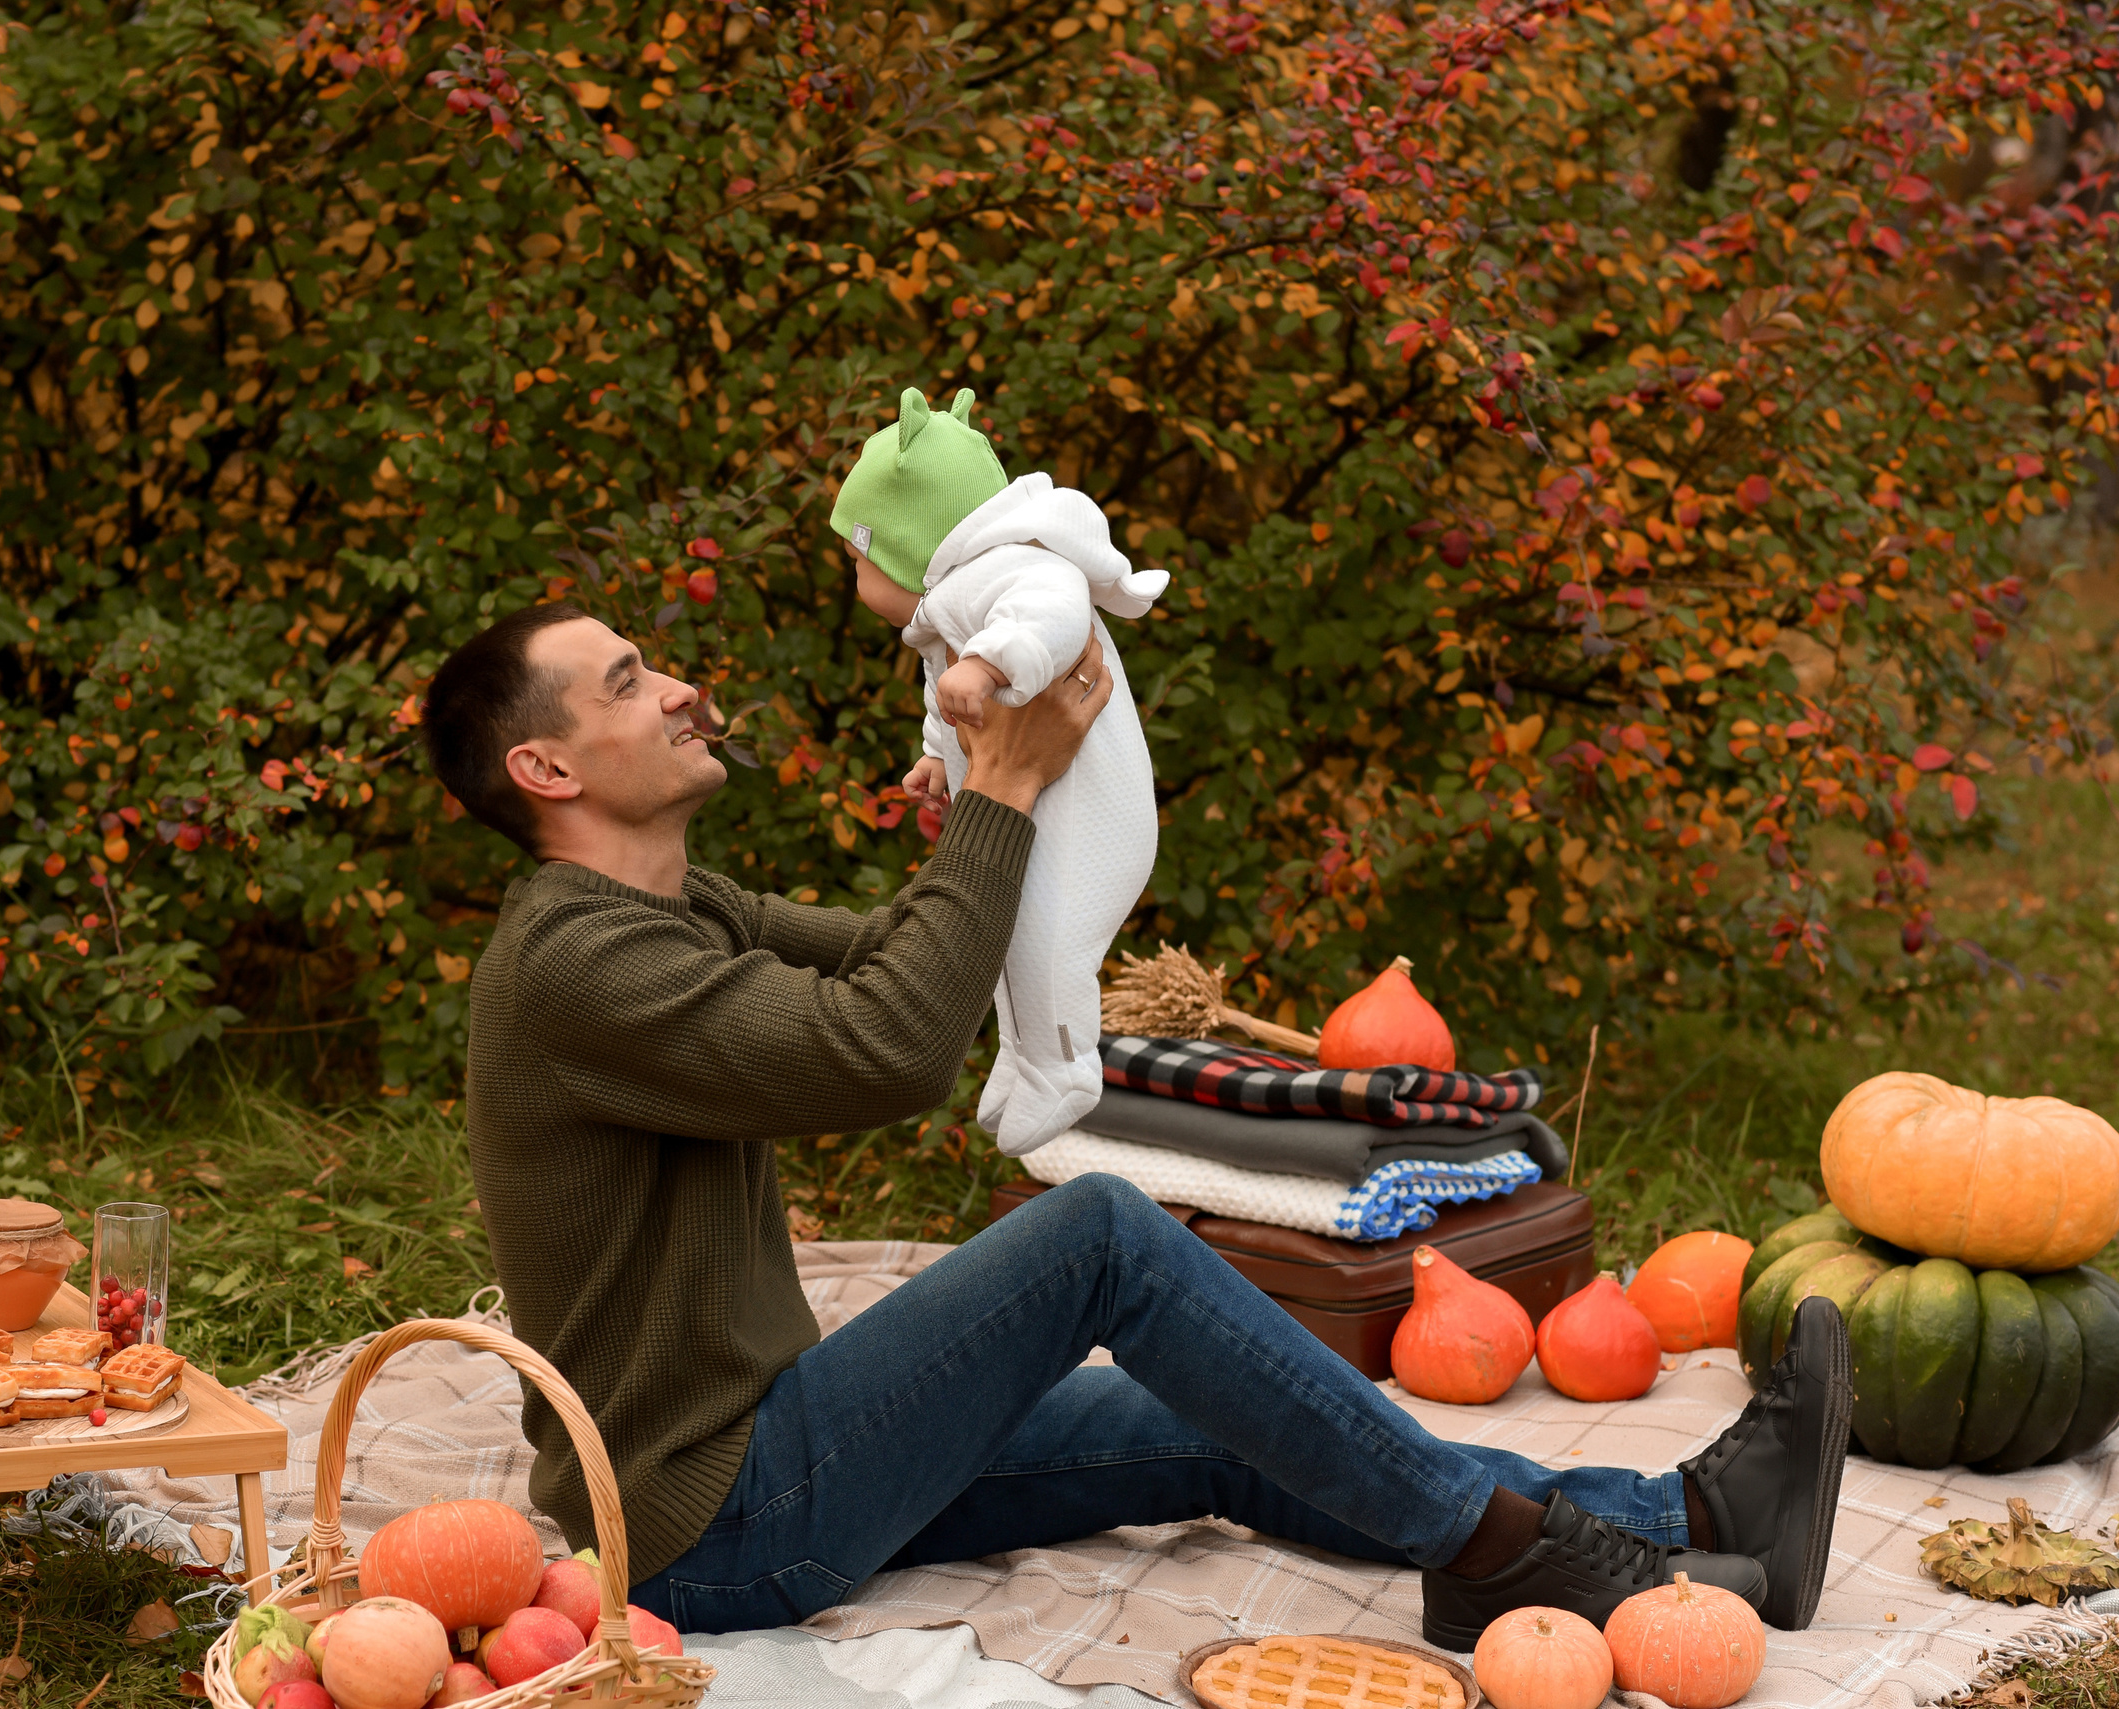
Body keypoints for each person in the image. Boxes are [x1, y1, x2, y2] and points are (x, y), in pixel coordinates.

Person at [423, 595, 1851, 1650]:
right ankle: (1497, 1553)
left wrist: (982, 780)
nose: (681, 687)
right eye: (629, 682)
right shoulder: (574, 965)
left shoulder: (677, 907)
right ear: (548, 769)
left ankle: (1685, 1523)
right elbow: (888, 1046)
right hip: (706, 1525)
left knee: (1233, 1405)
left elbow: (912, 962)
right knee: (1097, 1231)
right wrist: (1004, 785)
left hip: (785, 1441)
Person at [831, 385, 1167, 1157]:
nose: (855, 577)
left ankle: (1065, 1065)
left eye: (857, 559)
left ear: (906, 543)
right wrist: (935, 750)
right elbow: (941, 688)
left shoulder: (1009, 570)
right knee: (1008, 932)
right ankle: (1025, 1055)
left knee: (1049, 941)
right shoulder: (952, 603)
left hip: (1090, 819)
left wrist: (989, 663)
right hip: (1043, 813)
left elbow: (1054, 609)